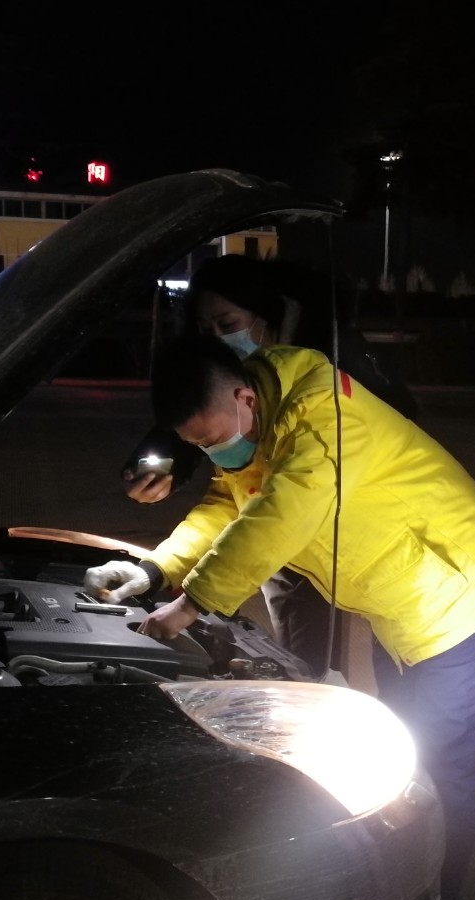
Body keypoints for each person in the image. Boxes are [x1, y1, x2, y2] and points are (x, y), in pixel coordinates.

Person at [91, 333, 475, 900]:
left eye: (213, 440)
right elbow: (229, 504)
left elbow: (282, 514)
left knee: (447, 764)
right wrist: (157, 568)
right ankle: (405, 878)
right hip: (401, 602)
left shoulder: (323, 419)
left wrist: (190, 605)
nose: (213, 455)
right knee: (407, 752)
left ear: (244, 397)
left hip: (457, 593)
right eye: (199, 446)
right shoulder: (258, 418)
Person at [120, 254, 418, 670]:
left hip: (353, 527)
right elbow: (226, 488)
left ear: (266, 315)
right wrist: (166, 463)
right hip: (286, 535)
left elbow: (287, 509)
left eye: (227, 323)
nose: (217, 339)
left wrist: (192, 603)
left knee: (399, 647)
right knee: (306, 659)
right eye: (205, 330)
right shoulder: (233, 385)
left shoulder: (325, 372)